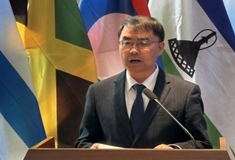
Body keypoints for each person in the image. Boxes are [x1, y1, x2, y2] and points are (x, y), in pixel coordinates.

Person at [75, 16, 211, 149]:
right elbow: (83, 142)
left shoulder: (185, 93)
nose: (133, 50)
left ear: (160, 48)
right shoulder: (98, 92)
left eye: (143, 43)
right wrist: (92, 149)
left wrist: (174, 149)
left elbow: (202, 144)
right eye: (127, 43)